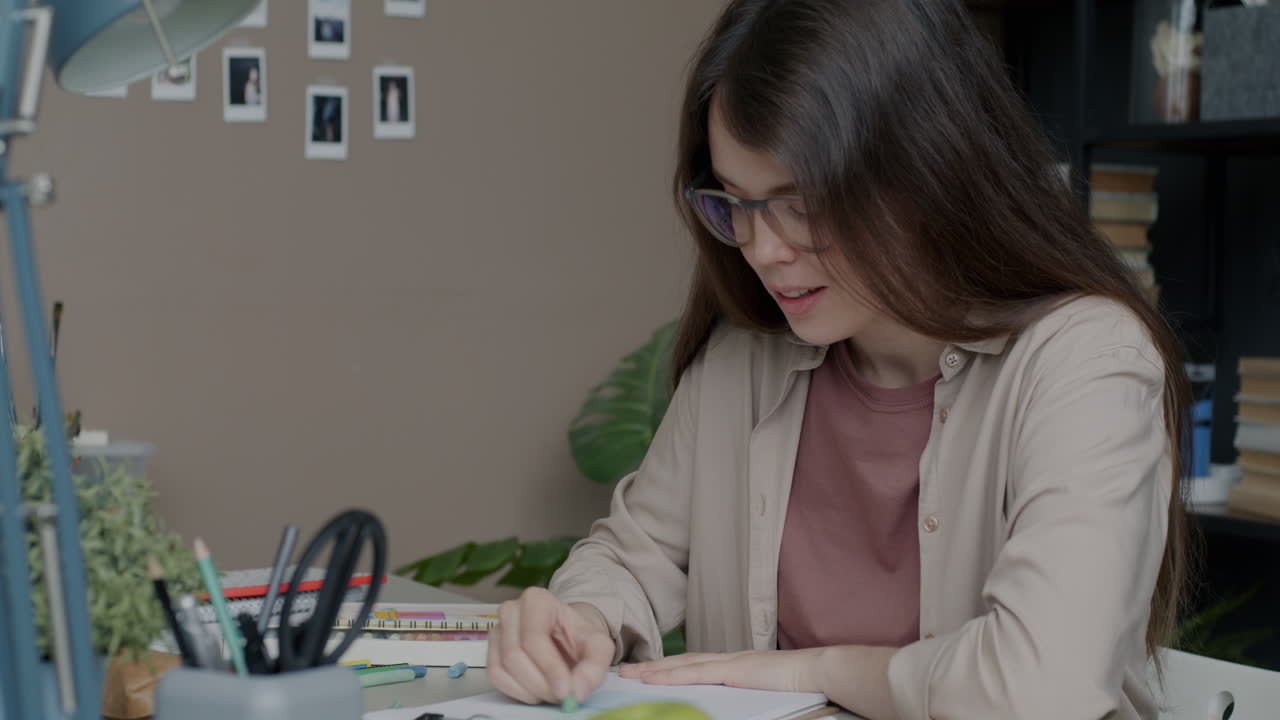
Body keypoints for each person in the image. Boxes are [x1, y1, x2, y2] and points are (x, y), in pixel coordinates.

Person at [487, 1, 1192, 718]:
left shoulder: (1084, 361)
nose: (762, 249)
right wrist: (579, 622)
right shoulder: (744, 361)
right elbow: (635, 557)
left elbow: (1040, 684)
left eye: (802, 203)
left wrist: (809, 672)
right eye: (737, 203)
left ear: (928, 168)